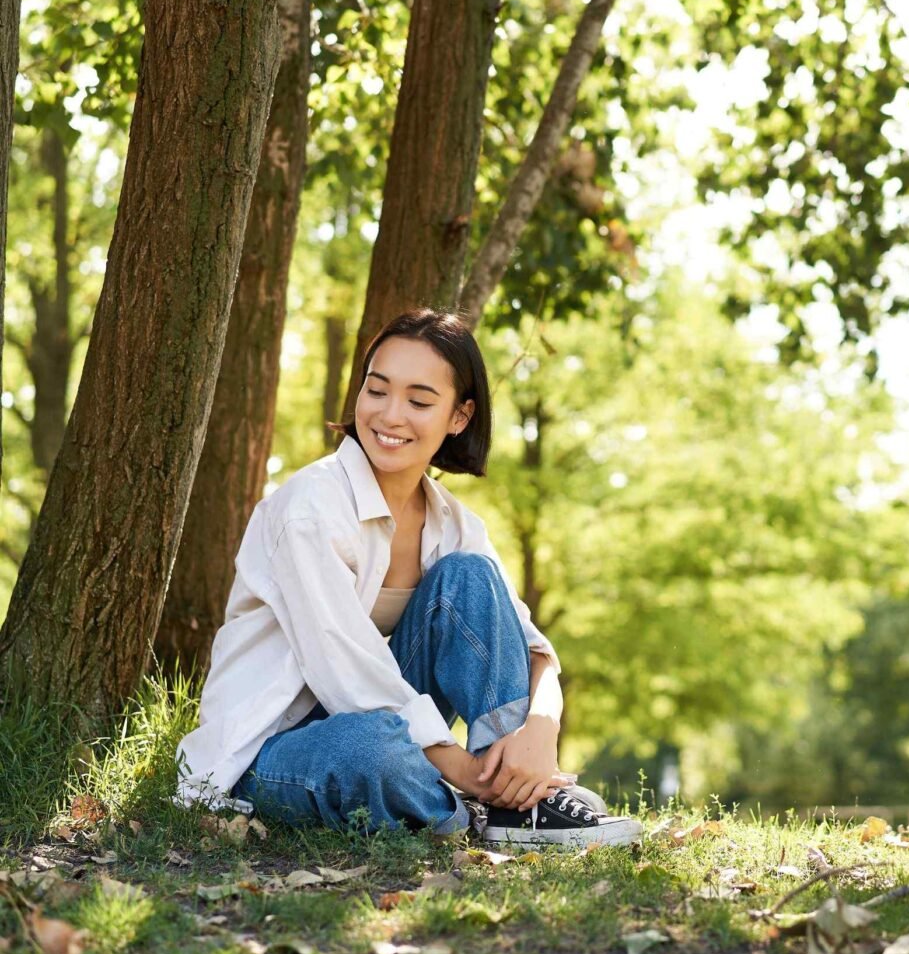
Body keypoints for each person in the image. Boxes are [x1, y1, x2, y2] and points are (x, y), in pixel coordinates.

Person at [175, 308, 640, 847]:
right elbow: (346, 671)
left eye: (419, 402)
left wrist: (540, 731)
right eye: (377, 391)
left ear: (459, 417)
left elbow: (533, 649)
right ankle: (486, 806)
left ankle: (518, 800)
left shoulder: (453, 523)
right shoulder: (310, 508)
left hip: (389, 723)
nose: (391, 415)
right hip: (271, 748)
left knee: (469, 576)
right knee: (372, 751)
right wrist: (466, 771)